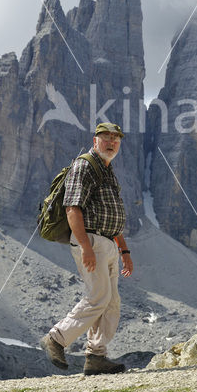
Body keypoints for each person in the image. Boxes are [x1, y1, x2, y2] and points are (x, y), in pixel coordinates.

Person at [40, 122, 134, 376]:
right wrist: (85, 247)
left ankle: (96, 356)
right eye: (106, 138)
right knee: (98, 297)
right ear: (95, 141)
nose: (112, 142)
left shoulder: (107, 170)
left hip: (108, 244)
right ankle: (56, 339)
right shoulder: (85, 166)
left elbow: (111, 213)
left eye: (116, 139)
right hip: (91, 241)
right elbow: (72, 207)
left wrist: (124, 251)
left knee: (111, 302)